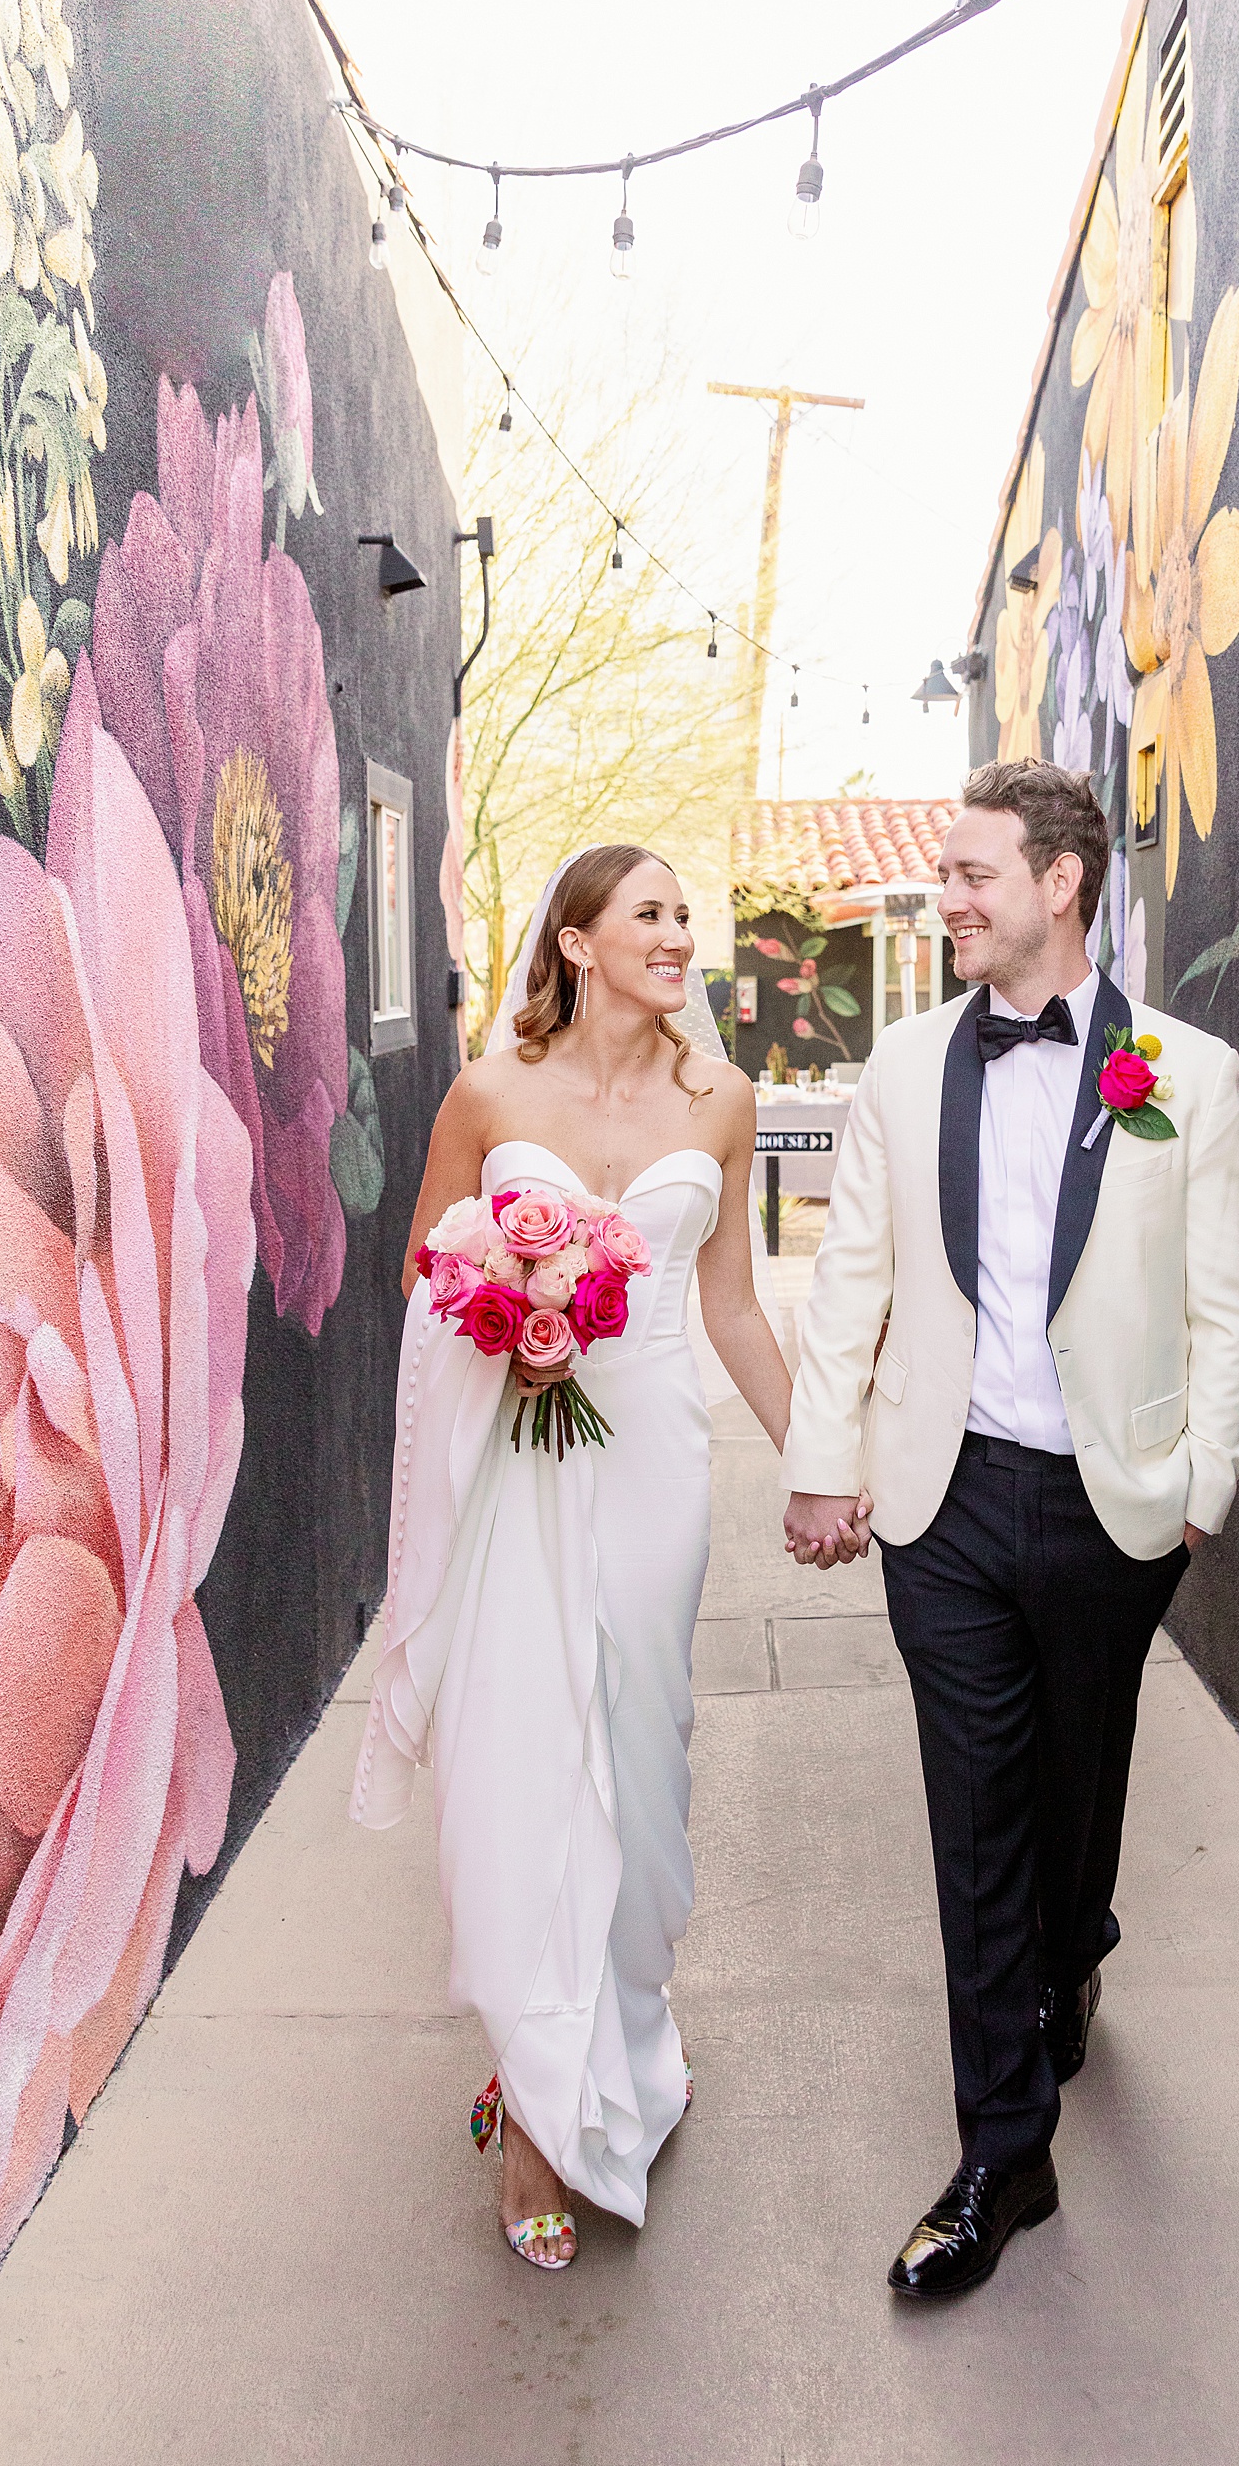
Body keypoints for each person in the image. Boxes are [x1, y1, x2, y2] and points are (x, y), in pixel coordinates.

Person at [782, 759, 1239, 2300]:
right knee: (976, 1811)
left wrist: (1206, 1486)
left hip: (1114, 1499)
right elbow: (852, 1274)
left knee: (1078, 1775)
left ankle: (1077, 1941)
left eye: (975, 869)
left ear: (1061, 882)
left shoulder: (1184, 1072)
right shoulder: (905, 1065)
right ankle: (1007, 2145)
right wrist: (821, 1459)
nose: (951, 894)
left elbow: (1223, 1296)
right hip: (943, 1498)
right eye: (948, 867)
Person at [350, 845, 866, 2269]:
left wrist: (821, 1460)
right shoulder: (491, 1095)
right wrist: (505, 1316)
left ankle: (626, 2037)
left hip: (651, 1458)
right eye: (652, 914)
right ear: (574, 942)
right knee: (522, 1754)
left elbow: (738, 1312)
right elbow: (421, 1268)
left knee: (640, 1755)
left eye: (684, 917)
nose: (680, 936)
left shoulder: (724, 1101)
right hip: (513, 1459)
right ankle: (529, 2103)